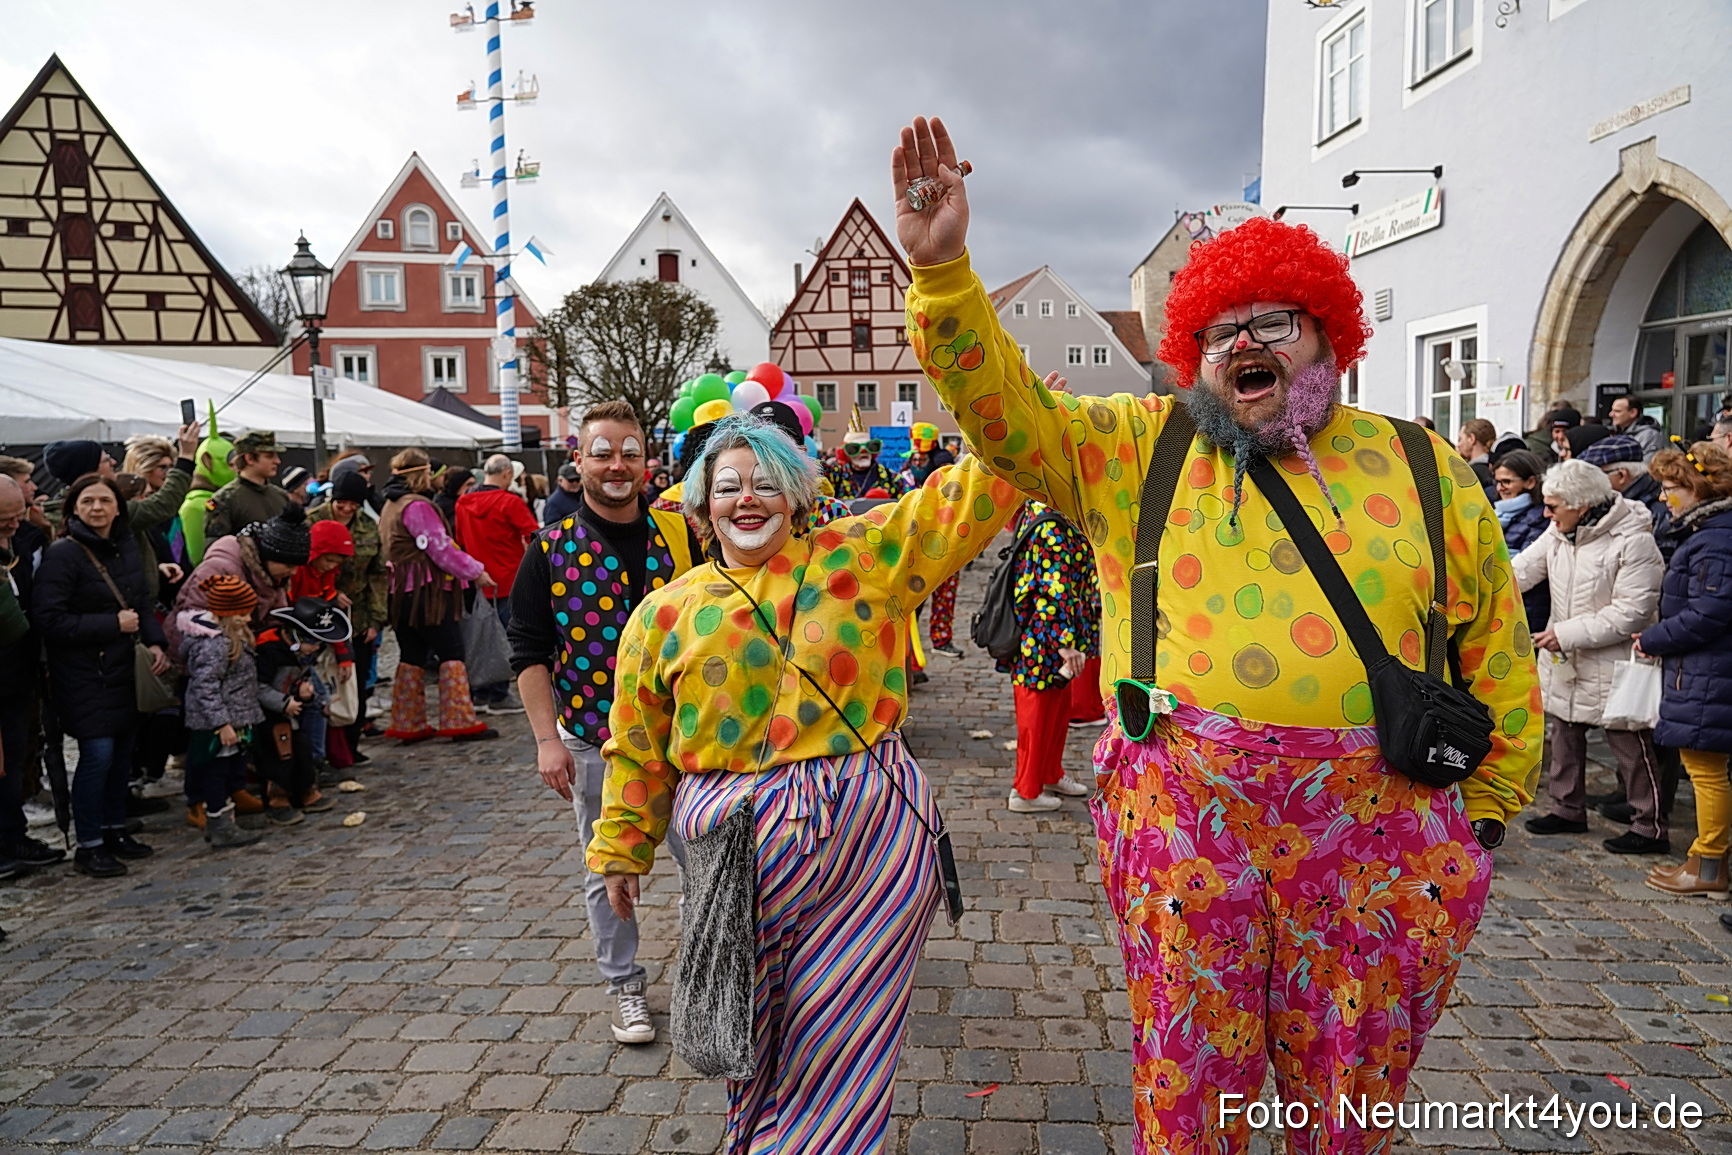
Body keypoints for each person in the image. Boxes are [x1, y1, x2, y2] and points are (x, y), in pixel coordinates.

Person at [892, 115, 1539, 1154]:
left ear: (1331, 332)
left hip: (1377, 839)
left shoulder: (1423, 467)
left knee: (1349, 1098)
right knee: (1193, 1091)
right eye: (1220, 329)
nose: (1246, 343)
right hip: (1182, 823)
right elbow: (1001, 413)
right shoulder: (1133, 448)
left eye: (1276, 320)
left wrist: (1484, 824)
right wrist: (945, 276)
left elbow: (1498, 654)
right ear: (1192, 353)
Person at [589, 413, 1017, 1147]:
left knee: (844, 1034)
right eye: (728, 487)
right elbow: (636, 745)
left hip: (872, 842)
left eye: (766, 483)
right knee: (748, 1030)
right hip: (735, 854)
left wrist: (1015, 422)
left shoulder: (863, 556)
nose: (747, 500)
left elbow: (959, 501)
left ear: (797, 494)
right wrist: (622, 847)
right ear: (701, 506)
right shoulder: (662, 615)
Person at [513, 399, 702, 1044]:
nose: (616, 464)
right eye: (602, 451)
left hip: (689, 742)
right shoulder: (548, 549)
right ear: (579, 461)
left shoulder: (684, 540)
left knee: (708, 864)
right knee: (607, 870)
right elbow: (529, 652)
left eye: (629, 451)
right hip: (595, 741)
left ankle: (711, 981)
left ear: (648, 463)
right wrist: (546, 742)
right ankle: (625, 986)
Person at [1511, 460, 1666, 853]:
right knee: (1564, 733)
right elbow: (1523, 568)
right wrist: (1481, 583)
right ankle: (1567, 809)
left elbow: (1632, 610)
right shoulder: (1560, 530)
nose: (1546, 513)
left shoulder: (1633, 539)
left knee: (1629, 746)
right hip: (1567, 654)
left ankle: (1649, 827)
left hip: (1615, 660)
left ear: (1581, 505)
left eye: (1553, 506)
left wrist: (1564, 634)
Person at [33, 474, 170, 878]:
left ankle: (114, 829)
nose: (97, 508)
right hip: (83, 672)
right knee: (98, 755)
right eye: (88, 501)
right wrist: (112, 624)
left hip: (123, 666)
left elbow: (140, 602)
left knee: (121, 754)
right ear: (74, 507)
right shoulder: (63, 554)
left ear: (118, 507)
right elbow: (48, 618)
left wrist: (155, 640)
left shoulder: (125, 544)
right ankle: (89, 843)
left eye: (104, 501)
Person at [1638, 441, 1732, 898]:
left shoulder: (1715, 538)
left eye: (1671, 487)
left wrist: (1654, 638)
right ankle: (1703, 858)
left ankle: (1709, 865)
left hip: (1709, 671)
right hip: (1703, 670)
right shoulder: (1709, 532)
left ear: (1698, 488)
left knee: (1707, 771)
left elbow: (1713, 611)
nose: (1663, 497)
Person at [378, 448, 497, 743]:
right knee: (452, 652)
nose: (433, 478)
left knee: (412, 655)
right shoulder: (417, 506)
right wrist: (475, 571)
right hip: (426, 591)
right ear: (420, 474)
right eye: (429, 472)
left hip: (400, 591)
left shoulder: (390, 505)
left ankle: (408, 721)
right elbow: (440, 548)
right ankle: (458, 719)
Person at [997, 502, 1097, 812]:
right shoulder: (1051, 525)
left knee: (1055, 710)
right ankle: (1025, 791)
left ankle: (1050, 774)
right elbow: (1052, 590)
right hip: (1044, 637)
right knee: (1037, 715)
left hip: (1054, 634)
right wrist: (1065, 643)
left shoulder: (1050, 513)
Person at [0, 475, 62, 877]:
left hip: (17, 675)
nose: (12, 525)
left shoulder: (22, 539)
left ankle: (12, 835)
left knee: (16, 755)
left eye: (16, 516)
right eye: (3, 520)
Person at [176, 574, 265, 848]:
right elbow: (206, 687)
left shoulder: (230, 638)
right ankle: (219, 822)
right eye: (243, 615)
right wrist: (222, 723)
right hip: (219, 723)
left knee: (228, 769)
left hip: (235, 718)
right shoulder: (216, 646)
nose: (248, 620)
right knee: (217, 772)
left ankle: (226, 818)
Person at [308, 470, 388, 761]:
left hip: (360, 612)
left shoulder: (368, 526)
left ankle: (351, 747)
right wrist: (328, 595)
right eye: (342, 503)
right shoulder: (313, 520)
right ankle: (327, 750)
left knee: (357, 681)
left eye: (354, 504)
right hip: (321, 612)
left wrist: (377, 619)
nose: (347, 509)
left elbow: (378, 574)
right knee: (325, 682)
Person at [456, 454, 541, 714]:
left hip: (478, 579)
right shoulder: (509, 502)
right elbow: (535, 536)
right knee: (508, 638)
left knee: (481, 637)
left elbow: (459, 539)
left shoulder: (463, 503)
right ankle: (500, 694)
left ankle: (480, 692)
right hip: (509, 579)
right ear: (506, 475)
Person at [254, 598, 350, 823]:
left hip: (292, 711)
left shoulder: (304, 654)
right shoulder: (268, 650)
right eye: (314, 641)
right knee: (279, 756)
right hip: (269, 714)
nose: (317, 648)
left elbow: (299, 677)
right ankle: (277, 799)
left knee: (302, 750)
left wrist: (304, 692)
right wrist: (284, 701)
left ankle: (305, 790)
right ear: (297, 636)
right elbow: (257, 687)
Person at [175, 410, 236, 568]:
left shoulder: (224, 498)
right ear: (208, 462)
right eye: (229, 464)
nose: (236, 470)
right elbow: (197, 559)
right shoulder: (195, 505)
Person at [204, 430, 288, 543]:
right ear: (249, 459)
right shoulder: (224, 500)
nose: (277, 461)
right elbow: (216, 549)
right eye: (269, 456)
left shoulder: (281, 497)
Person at [1579, 433, 1665, 527]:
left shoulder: (1656, 512)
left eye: (1597, 476)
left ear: (1621, 475)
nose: (1592, 482)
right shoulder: (1614, 504)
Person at [822, 428, 908, 499]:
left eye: (870, 446)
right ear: (846, 453)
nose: (863, 451)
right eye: (854, 449)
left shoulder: (892, 479)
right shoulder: (836, 476)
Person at [1454, 417, 1498, 502]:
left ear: (1471, 438)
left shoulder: (1468, 472)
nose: (1458, 445)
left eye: (1460, 439)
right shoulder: (1497, 467)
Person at [1607, 395, 1665, 460]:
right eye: (1612, 410)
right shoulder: (1610, 432)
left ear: (1633, 413)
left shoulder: (1650, 435)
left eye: (1617, 411)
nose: (1611, 414)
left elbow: (1649, 464)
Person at [542, 460, 584, 525]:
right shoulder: (554, 503)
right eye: (571, 480)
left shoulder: (582, 495)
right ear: (560, 481)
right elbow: (551, 528)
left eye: (577, 480)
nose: (575, 483)